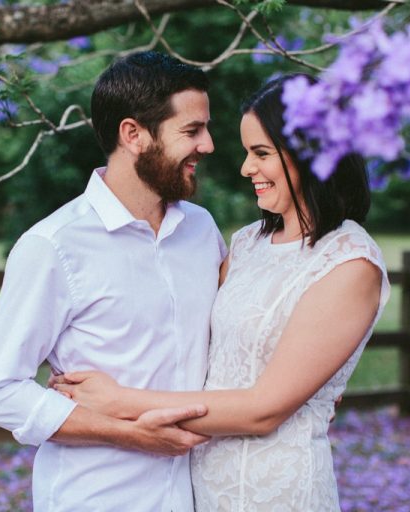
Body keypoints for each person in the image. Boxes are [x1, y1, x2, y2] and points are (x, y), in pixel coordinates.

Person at [52, 74, 392, 511]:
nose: (246, 168)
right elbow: (185, 331)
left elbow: (262, 409)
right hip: (200, 488)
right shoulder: (247, 243)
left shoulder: (349, 262)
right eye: (249, 153)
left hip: (277, 490)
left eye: (262, 154)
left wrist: (119, 401)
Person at [0, 51, 227, 512]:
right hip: (98, 497)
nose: (208, 145)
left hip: (199, 495)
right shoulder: (53, 245)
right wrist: (130, 434)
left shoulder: (203, 230)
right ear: (134, 135)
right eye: (191, 131)